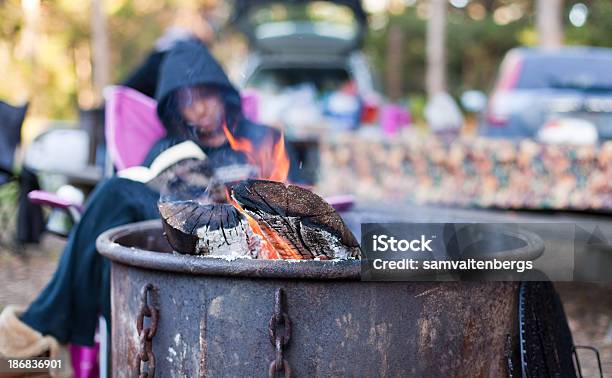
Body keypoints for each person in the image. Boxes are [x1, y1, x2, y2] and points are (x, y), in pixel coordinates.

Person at [0, 40, 281, 373]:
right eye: (187, 102)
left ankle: (36, 335)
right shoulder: (169, 144)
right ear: (176, 108)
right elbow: (145, 182)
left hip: (236, 233)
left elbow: (285, 197)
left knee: (111, 228)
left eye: (206, 95)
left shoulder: (261, 139)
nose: (200, 110)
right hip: (170, 230)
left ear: (223, 93)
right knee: (118, 193)